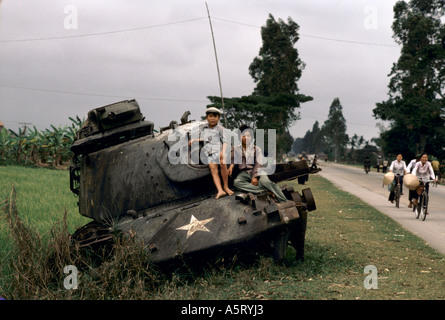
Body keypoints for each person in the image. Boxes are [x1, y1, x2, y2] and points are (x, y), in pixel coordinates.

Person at [228, 125, 288, 203]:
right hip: (244, 173)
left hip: (258, 171)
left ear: (251, 137)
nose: (246, 138)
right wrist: (231, 165)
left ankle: (284, 201)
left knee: (265, 182)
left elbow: (258, 164)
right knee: (237, 183)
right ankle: (264, 192)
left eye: (248, 135)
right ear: (240, 137)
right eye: (243, 136)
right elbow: (232, 159)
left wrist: (254, 177)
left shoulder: (256, 149)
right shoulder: (235, 149)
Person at [189, 107, 233, 199]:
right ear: (207, 118)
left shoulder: (220, 128)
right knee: (214, 171)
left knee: (223, 165)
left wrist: (223, 152)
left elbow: (225, 141)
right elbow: (206, 138)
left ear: (218, 118)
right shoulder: (204, 128)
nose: (213, 118)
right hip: (209, 152)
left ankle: (226, 186)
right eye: (210, 116)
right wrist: (195, 140)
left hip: (219, 150)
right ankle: (220, 190)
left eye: (215, 116)